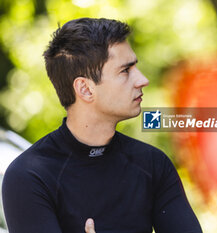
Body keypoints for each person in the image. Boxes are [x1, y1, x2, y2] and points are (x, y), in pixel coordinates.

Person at [2, 18, 202, 233]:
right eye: (125, 71)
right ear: (85, 89)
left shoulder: (153, 164)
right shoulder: (29, 176)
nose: (142, 80)